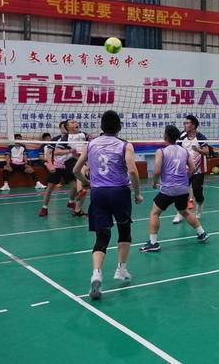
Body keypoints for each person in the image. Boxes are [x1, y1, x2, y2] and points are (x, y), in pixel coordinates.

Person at [73, 110, 143, 300]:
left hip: (98, 193)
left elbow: (76, 170)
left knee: (101, 236)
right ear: (119, 127)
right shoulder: (125, 145)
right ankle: (121, 269)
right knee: (124, 230)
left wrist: (86, 182)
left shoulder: (91, 144)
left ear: (101, 127)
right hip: (120, 192)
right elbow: (133, 171)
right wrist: (137, 193)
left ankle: (96, 274)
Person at [140, 125, 209, 252]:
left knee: (154, 213)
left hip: (168, 189)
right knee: (184, 211)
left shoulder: (161, 151)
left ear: (165, 136)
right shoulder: (184, 151)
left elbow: (156, 171)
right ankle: (202, 233)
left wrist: (155, 183)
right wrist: (185, 179)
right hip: (183, 189)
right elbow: (193, 169)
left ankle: (153, 243)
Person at [38, 121, 80, 217]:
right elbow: (48, 153)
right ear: (61, 129)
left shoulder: (74, 138)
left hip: (68, 165)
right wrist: (50, 164)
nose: (65, 129)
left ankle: (71, 202)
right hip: (57, 166)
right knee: (50, 188)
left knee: (75, 187)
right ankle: (44, 207)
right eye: (63, 127)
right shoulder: (55, 139)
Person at [172, 115, 208, 224]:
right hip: (185, 170)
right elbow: (176, 149)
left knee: (197, 192)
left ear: (193, 125)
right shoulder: (181, 136)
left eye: (187, 123)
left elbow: (206, 151)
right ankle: (179, 213)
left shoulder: (200, 137)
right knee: (181, 192)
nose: (185, 125)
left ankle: (199, 208)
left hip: (198, 170)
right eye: (184, 123)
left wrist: (198, 149)